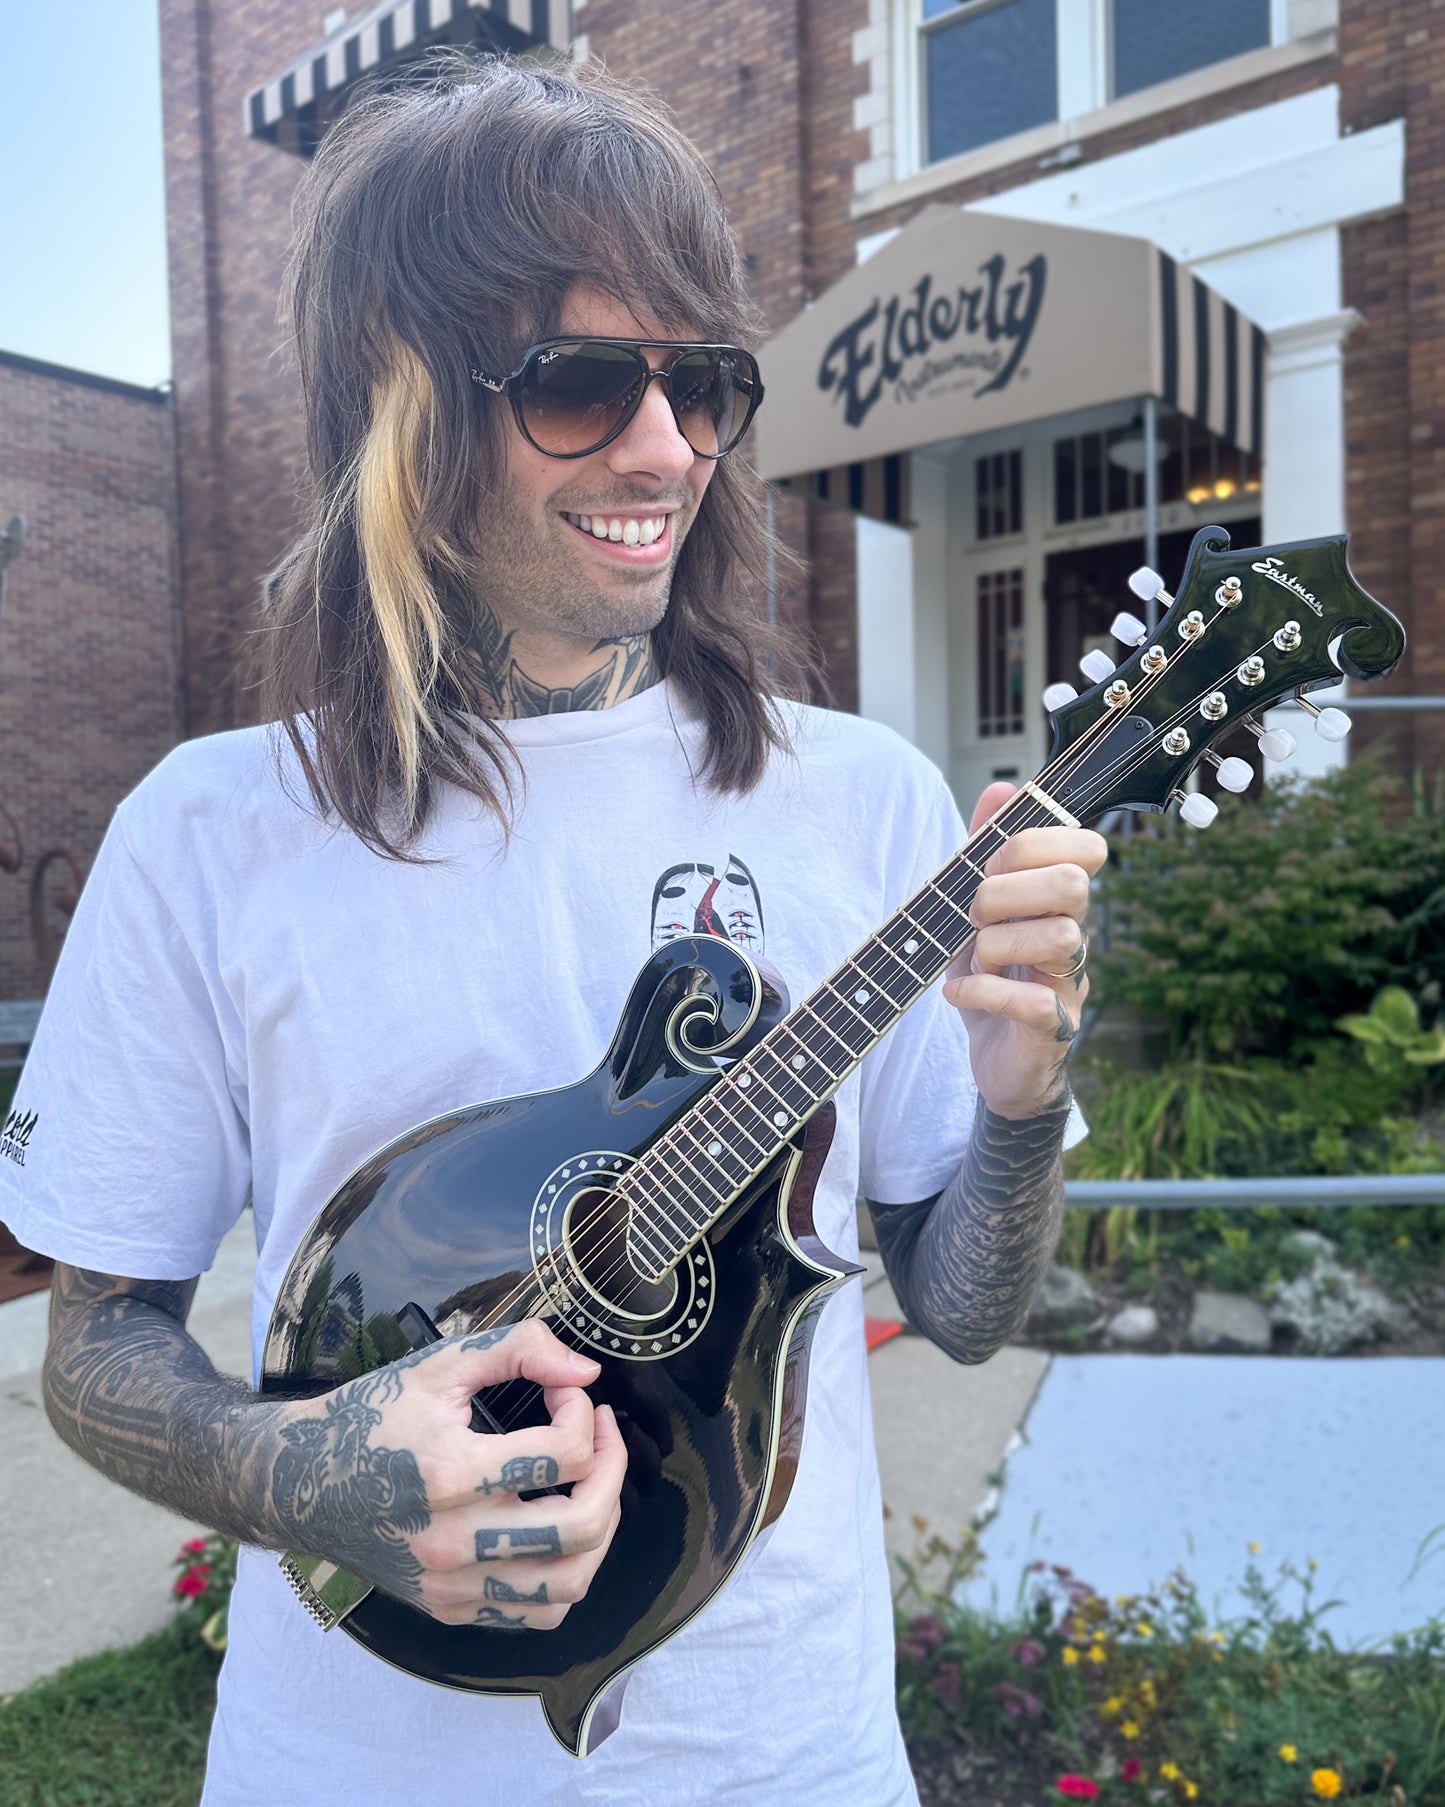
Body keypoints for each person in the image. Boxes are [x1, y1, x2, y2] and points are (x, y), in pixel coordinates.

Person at [1, 57, 1104, 1807]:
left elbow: (965, 1306)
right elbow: (95, 1348)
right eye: (584, 385)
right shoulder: (211, 836)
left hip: (784, 1762)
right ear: (402, 410)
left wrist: (1022, 1086)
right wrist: (310, 1475)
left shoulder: (862, 806)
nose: (665, 449)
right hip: (345, 1767)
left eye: (700, 385)